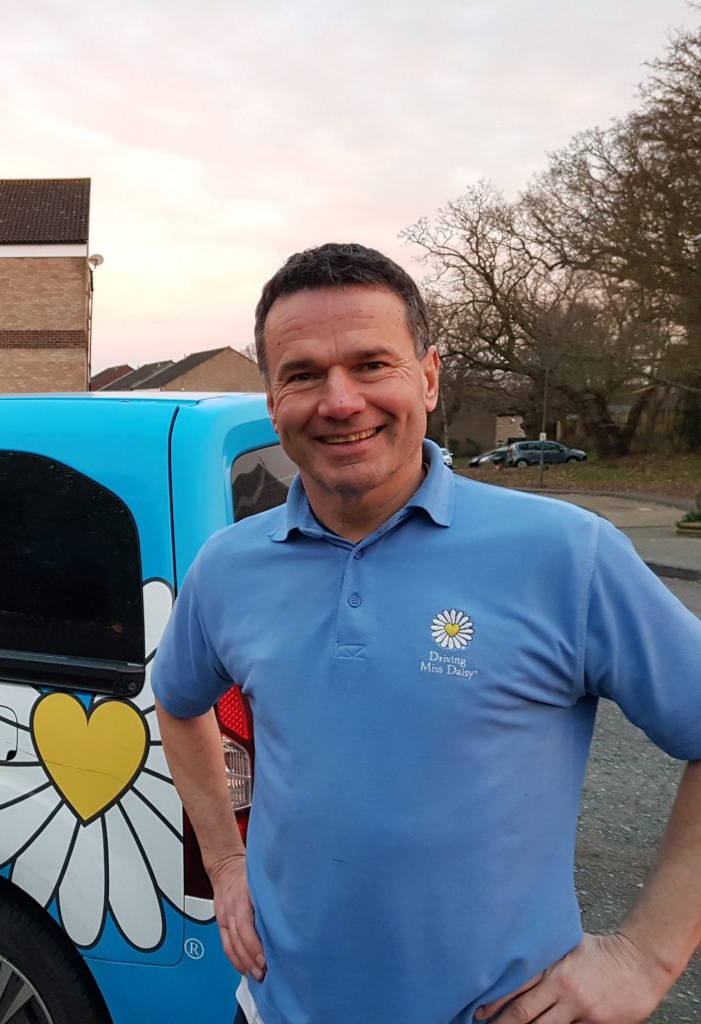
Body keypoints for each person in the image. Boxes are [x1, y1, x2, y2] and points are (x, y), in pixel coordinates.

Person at [152, 242, 701, 1024]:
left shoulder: (564, 554)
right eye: (302, 373)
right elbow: (177, 702)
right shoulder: (229, 567)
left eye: (372, 364)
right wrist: (225, 858)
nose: (339, 401)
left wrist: (645, 959)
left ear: (430, 377)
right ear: (273, 401)